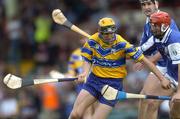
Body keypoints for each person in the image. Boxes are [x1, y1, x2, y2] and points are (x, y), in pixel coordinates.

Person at [68, 17, 171, 119]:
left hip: (113, 86)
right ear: (99, 32)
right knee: (75, 114)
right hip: (94, 80)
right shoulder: (92, 41)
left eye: (111, 33)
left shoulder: (123, 44)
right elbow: (87, 59)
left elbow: (146, 61)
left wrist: (162, 78)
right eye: (106, 33)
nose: (109, 36)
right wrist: (85, 72)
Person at [135, 0, 179, 119]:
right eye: (143, 5)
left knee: (166, 106)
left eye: (149, 4)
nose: (146, 7)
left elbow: (171, 47)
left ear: (156, 4)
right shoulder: (149, 23)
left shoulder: (166, 23)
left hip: (171, 66)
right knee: (145, 98)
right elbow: (142, 48)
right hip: (166, 66)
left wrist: (152, 60)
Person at [66, 37, 95, 119]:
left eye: (87, 38)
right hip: (82, 85)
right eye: (83, 38)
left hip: (95, 82)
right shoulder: (75, 54)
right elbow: (71, 70)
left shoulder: (96, 51)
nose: (85, 40)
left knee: (94, 108)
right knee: (86, 108)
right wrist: (72, 76)